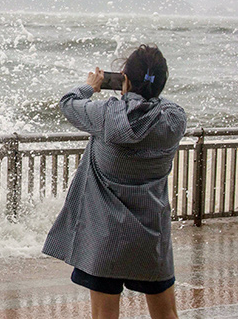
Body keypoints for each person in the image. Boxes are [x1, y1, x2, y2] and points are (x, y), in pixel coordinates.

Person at [42, 45, 186, 319]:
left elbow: (68, 103)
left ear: (124, 79)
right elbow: (157, 103)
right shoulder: (174, 119)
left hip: (105, 236)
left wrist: (91, 87)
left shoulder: (107, 114)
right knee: (166, 314)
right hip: (151, 235)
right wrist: (142, 88)